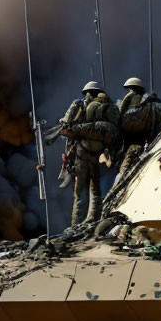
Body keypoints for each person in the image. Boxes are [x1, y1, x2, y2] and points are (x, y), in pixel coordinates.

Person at [58, 81, 119, 225]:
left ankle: (77, 223)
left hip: (82, 152)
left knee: (80, 191)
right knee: (96, 188)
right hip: (100, 153)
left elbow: (66, 123)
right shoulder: (107, 108)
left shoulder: (80, 105)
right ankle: (92, 221)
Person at [117, 77, 161, 177]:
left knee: (124, 170)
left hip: (137, 141)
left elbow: (121, 117)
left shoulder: (135, 101)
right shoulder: (152, 105)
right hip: (145, 141)